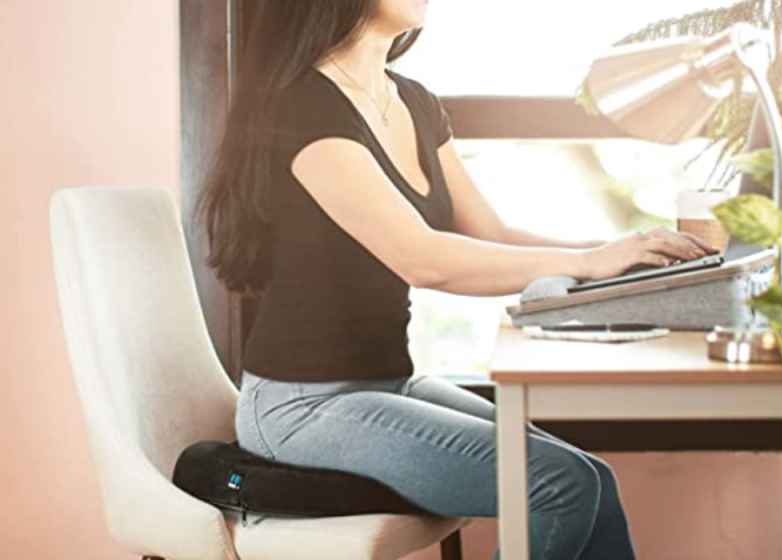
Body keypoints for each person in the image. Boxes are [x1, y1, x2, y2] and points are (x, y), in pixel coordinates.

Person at [193, 1, 718, 559]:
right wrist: (592, 263)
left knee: (592, 480)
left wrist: (620, 251)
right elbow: (424, 260)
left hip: (389, 383)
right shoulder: (301, 107)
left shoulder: (414, 103)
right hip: (300, 408)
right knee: (560, 489)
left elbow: (490, 232)